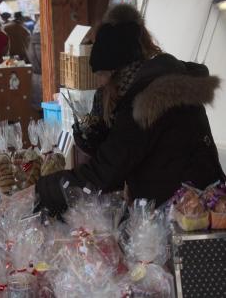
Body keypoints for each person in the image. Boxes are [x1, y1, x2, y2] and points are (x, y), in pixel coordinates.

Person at [35, 15, 225, 217]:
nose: (100, 85)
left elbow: (103, 175)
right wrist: (100, 140)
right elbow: (130, 156)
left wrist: (41, 190)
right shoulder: (160, 85)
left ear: (117, 72)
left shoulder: (146, 105)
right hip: (199, 206)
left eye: (101, 75)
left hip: (188, 214)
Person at [73, 4, 163, 159]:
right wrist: (92, 140)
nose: (100, 82)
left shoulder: (153, 86)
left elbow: (128, 154)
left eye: (102, 74)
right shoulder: (104, 94)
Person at [26, 21, 42, 112]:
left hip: (36, 79)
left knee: (40, 113)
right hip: (46, 80)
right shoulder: (43, 42)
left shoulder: (31, 42)